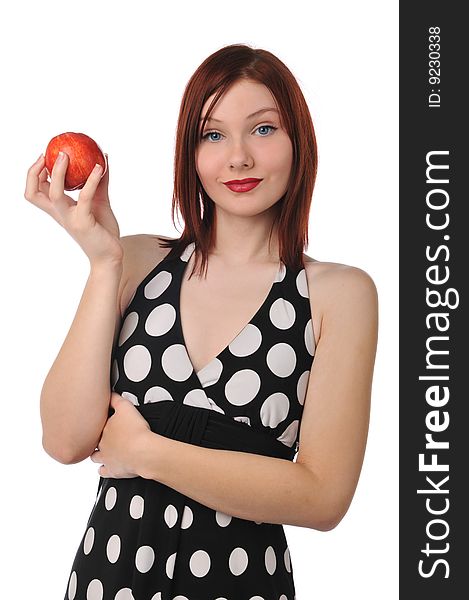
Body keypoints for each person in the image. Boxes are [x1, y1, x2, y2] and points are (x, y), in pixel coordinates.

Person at [25, 43, 378, 600]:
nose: (238, 158)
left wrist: (145, 453)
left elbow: (323, 497)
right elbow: (64, 441)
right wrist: (102, 263)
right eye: (213, 135)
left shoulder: (338, 294)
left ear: (298, 143)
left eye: (263, 130)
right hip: (110, 580)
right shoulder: (135, 260)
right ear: (189, 153)